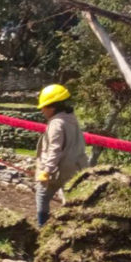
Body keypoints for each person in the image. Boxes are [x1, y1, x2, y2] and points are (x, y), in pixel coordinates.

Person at [35, 84, 89, 227]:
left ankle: (42, 227)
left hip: (59, 170)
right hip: (76, 168)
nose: (41, 110)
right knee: (71, 200)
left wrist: (46, 171)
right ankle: (73, 228)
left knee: (41, 195)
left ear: (52, 107)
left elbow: (54, 149)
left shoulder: (56, 124)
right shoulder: (71, 119)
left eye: (44, 107)